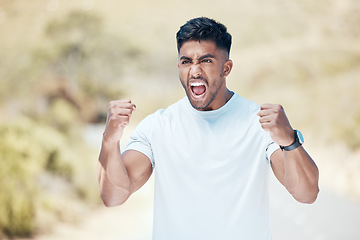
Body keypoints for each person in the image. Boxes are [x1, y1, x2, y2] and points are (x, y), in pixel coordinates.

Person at [98, 17, 319, 240]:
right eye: (186, 62)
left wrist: (289, 140)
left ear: (226, 68)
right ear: (179, 67)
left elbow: (307, 194)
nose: (194, 71)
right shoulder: (158, 126)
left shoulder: (259, 124)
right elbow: (113, 196)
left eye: (205, 61)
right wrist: (110, 140)